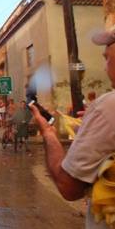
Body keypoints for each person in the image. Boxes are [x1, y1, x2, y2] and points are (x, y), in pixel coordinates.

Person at [29, 27, 115, 229]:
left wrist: (48, 133)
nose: (105, 67)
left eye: (108, 58)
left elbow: (68, 187)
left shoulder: (108, 106)